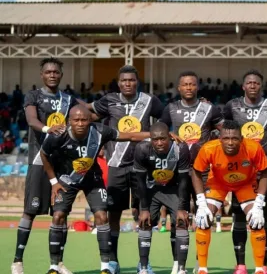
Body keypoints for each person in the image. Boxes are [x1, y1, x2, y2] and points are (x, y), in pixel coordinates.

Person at [40, 105, 151, 274]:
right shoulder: (58, 134)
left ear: (90, 120)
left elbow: (130, 135)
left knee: (101, 216)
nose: (80, 123)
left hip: (93, 180)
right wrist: (54, 181)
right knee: (58, 216)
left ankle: (105, 267)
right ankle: (54, 266)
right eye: (76, 120)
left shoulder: (100, 131)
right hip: (67, 179)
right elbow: (43, 154)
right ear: (69, 121)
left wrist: (156, 136)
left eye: (84, 120)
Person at [85, 65, 165, 274]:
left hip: (142, 166)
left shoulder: (150, 101)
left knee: (143, 213)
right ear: (119, 82)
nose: (127, 83)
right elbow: (88, 112)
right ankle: (113, 262)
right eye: (124, 80)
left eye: (131, 80)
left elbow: (167, 119)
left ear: (137, 82)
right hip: (116, 165)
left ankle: (143, 264)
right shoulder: (109, 100)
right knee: (114, 214)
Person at [11, 57, 78, 274]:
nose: (52, 75)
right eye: (48, 72)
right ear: (42, 74)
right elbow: (31, 120)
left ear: (61, 75)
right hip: (40, 160)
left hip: (63, 163)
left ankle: (57, 263)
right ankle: (17, 261)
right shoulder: (33, 96)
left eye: (56, 72)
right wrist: (49, 129)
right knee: (30, 211)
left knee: (61, 213)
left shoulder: (68, 99)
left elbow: (86, 112)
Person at [159, 71, 223, 273]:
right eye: (185, 84)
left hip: (203, 172)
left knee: (204, 217)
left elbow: (226, 131)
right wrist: (168, 133)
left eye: (192, 84)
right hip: (178, 172)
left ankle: (199, 262)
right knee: (177, 217)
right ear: (179, 88)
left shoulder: (209, 108)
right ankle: (178, 264)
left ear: (197, 87)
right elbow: (159, 127)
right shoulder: (171, 108)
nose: (188, 87)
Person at [223, 69, 267, 274]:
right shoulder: (232, 106)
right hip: (241, 171)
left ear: (261, 86)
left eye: (256, 83)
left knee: (264, 217)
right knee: (239, 217)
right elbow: (223, 131)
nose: (253, 86)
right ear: (243, 86)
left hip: (266, 171)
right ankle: (240, 265)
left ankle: (262, 264)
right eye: (249, 83)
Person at [192, 120, 267, 274]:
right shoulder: (209, 148)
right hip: (218, 183)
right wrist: (201, 203)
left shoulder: (253, 148)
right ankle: (202, 268)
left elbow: (266, 172)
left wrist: (259, 205)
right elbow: (196, 172)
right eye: (226, 138)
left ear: (241, 139)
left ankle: (260, 269)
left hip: (246, 183)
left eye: (234, 138)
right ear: (219, 138)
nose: (230, 142)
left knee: (257, 221)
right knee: (204, 219)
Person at [134, 122, 191, 274]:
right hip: (151, 190)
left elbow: (184, 180)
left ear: (170, 137)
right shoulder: (141, 149)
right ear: (150, 139)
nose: (159, 143)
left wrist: (181, 208)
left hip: (174, 189)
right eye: (155, 139)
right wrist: (144, 209)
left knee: (181, 222)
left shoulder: (181, 148)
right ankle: (144, 268)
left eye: (163, 138)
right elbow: (139, 181)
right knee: (145, 223)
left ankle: (181, 268)